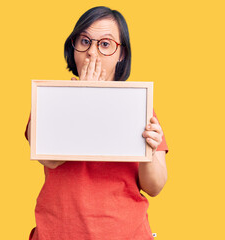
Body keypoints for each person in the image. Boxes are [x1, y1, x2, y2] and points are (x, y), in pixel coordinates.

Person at [25, 6, 169, 240]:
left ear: (121, 54)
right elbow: (49, 158)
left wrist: (150, 150)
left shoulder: (139, 104)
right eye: (84, 41)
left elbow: (154, 187)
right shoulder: (49, 99)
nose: (92, 51)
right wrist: (83, 98)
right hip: (58, 232)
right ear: (73, 48)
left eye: (105, 44)